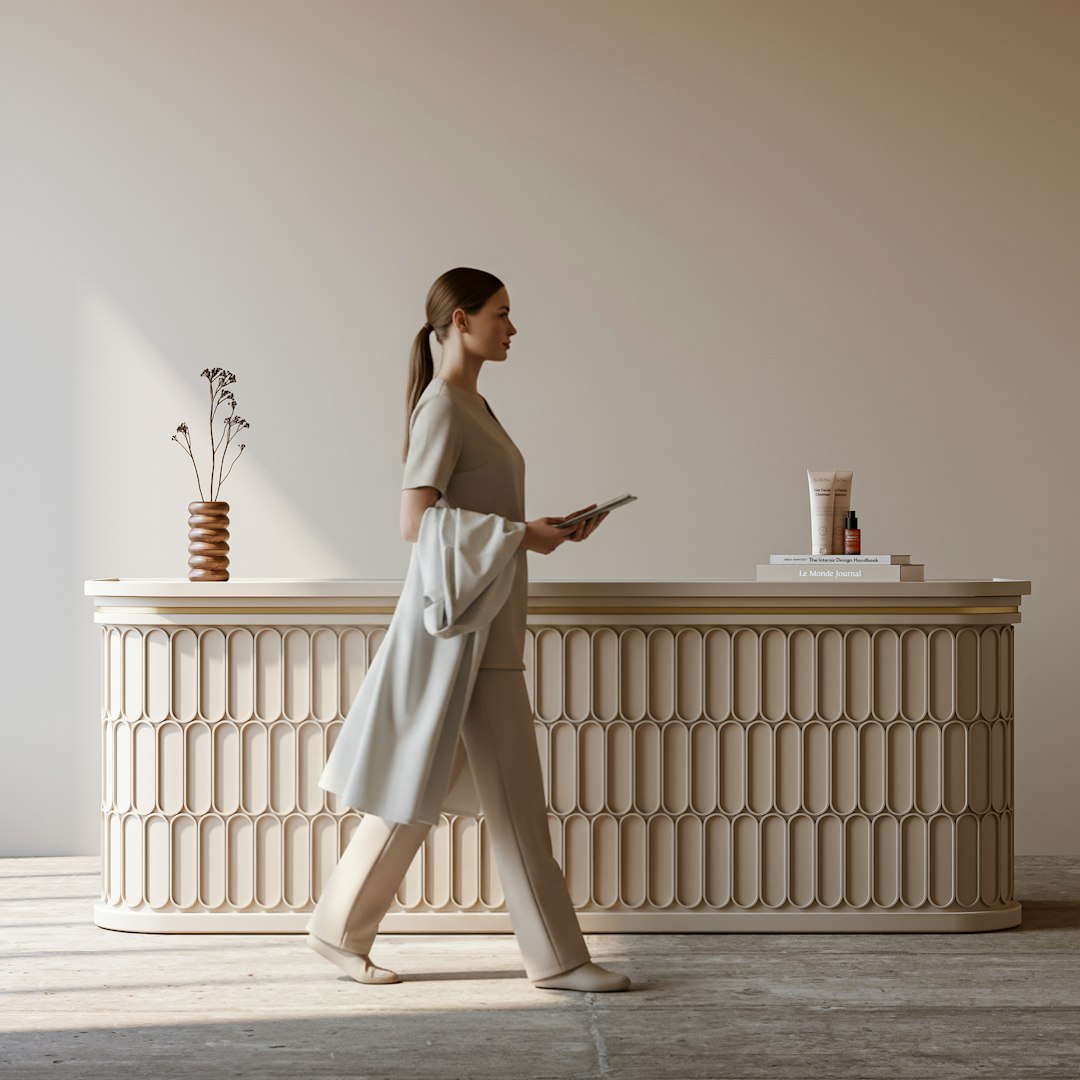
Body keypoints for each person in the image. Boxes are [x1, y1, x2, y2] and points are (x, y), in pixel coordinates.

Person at [306, 267, 631, 992]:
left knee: (417, 792)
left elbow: (475, 516)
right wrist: (523, 535)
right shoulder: (444, 408)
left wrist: (539, 533)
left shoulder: (472, 403)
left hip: (487, 627)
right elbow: (415, 522)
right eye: (502, 314)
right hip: (464, 637)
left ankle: (335, 928)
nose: (512, 328)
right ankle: (560, 960)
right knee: (513, 799)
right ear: (461, 319)